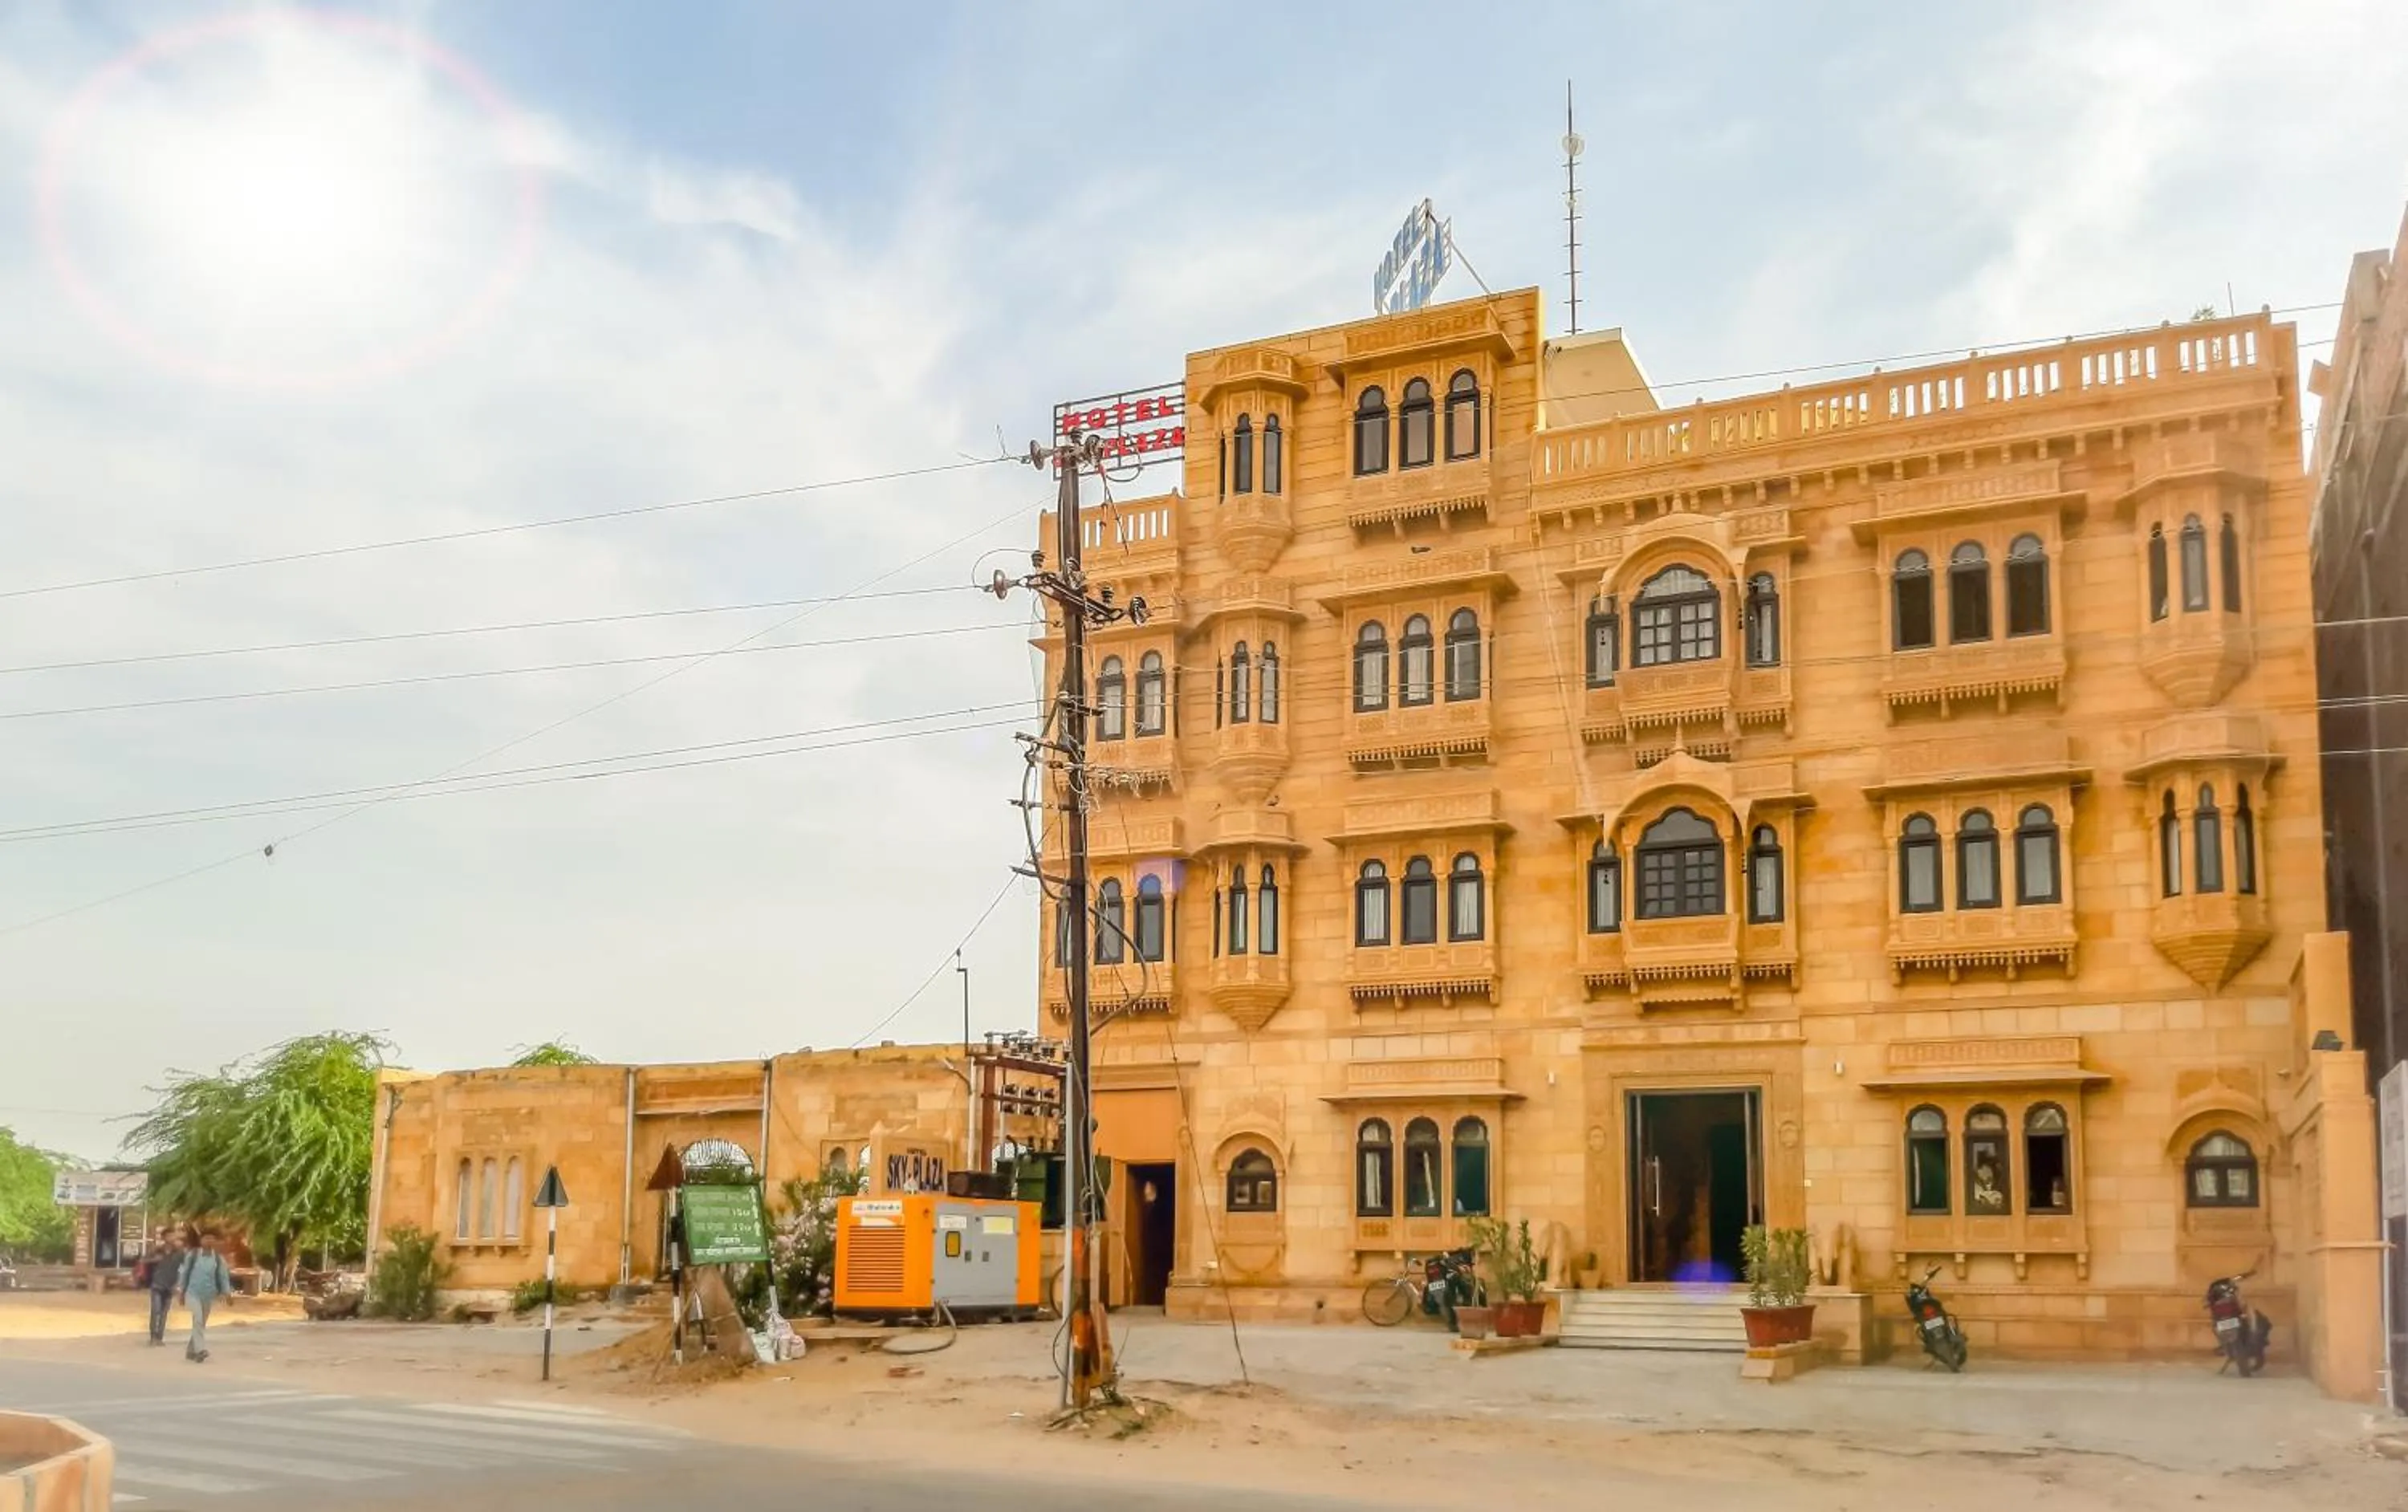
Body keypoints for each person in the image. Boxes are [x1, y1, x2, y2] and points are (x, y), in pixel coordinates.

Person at [177, 1231, 233, 1363]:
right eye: (206, 1238)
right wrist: (181, 1292)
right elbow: (184, 1273)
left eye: (212, 1238)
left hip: (208, 1295)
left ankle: (191, 1351)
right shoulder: (193, 1255)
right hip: (192, 1293)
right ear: (201, 1240)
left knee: (201, 1323)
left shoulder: (218, 1259)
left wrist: (227, 1293)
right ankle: (200, 1350)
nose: (209, 1241)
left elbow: (223, 1277)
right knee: (198, 1319)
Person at [141, 1235, 182, 1346]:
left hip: (170, 1286)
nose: (173, 1239)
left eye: (174, 1237)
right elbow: (143, 1260)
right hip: (157, 1285)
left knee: (164, 1313)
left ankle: (159, 1337)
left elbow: (184, 1268)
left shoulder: (179, 1253)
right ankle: (153, 1337)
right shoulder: (157, 1251)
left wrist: (178, 1285)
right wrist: (154, 1260)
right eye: (170, 1236)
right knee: (156, 1311)